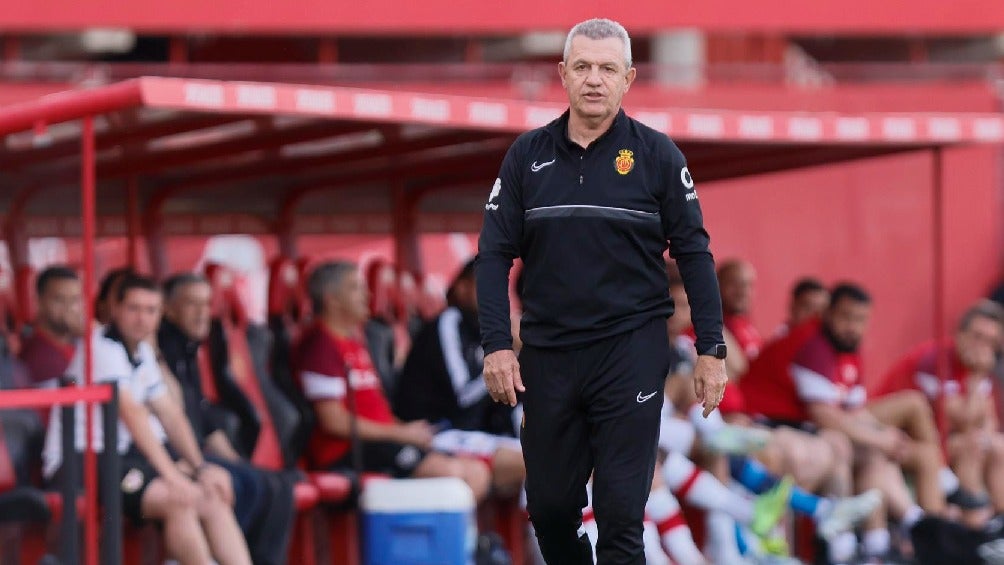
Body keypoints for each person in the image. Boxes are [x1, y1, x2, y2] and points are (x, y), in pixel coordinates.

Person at [476, 18, 728, 564]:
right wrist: (497, 344)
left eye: (608, 68)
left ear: (629, 78)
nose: (595, 79)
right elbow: (494, 254)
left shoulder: (659, 156)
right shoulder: (526, 157)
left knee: (619, 512)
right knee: (549, 507)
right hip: (549, 354)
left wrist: (712, 349)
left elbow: (695, 254)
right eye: (583, 67)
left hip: (630, 350)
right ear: (562, 74)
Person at [43, 274, 252, 565]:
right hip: (78, 461)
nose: (142, 319)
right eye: (134, 309)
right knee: (178, 498)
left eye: (151, 310)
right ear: (114, 309)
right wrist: (172, 475)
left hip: (122, 459)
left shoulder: (142, 351)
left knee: (211, 494)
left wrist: (199, 467)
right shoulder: (101, 346)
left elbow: (171, 414)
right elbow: (133, 415)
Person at [294, 261, 490, 501]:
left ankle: (454, 538)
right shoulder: (320, 346)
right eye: (355, 288)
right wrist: (399, 434)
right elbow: (333, 421)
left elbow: (374, 410)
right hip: (348, 451)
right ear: (331, 298)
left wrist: (405, 431)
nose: (367, 295)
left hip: (381, 443)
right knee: (451, 474)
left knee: (476, 470)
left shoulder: (355, 343)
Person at [158, 272, 295, 565]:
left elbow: (203, 419)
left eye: (206, 305)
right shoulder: (162, 348)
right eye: (191, 304)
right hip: (167, 458)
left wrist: (235, 460)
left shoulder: (190, 348)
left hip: (193, 454)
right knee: (241, 484)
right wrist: (194, 465)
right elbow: (169, 419)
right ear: (168, 310)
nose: (201, 313)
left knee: (276, 484)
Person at [395, 258, 525, 496]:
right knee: (542, 462)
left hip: (477, 435)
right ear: (463, 288)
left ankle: (547, 532)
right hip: (437, 431)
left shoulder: (487, 329)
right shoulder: (449, 321)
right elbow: (463, 398)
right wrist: (508, 358)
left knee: (562, 457)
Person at [877, 300, 1004, 515]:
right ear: (960, 334)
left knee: (997, 445)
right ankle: (973, 528)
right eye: (978, 337)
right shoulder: (936, 360)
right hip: (895, 434)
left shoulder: (973, 366)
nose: (983, 347)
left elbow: (990, 423)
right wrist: (977, 378)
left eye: (991, 342)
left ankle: (999, 523)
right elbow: (958, 420)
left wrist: (986, 435)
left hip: (937, 440)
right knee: (970, 444)